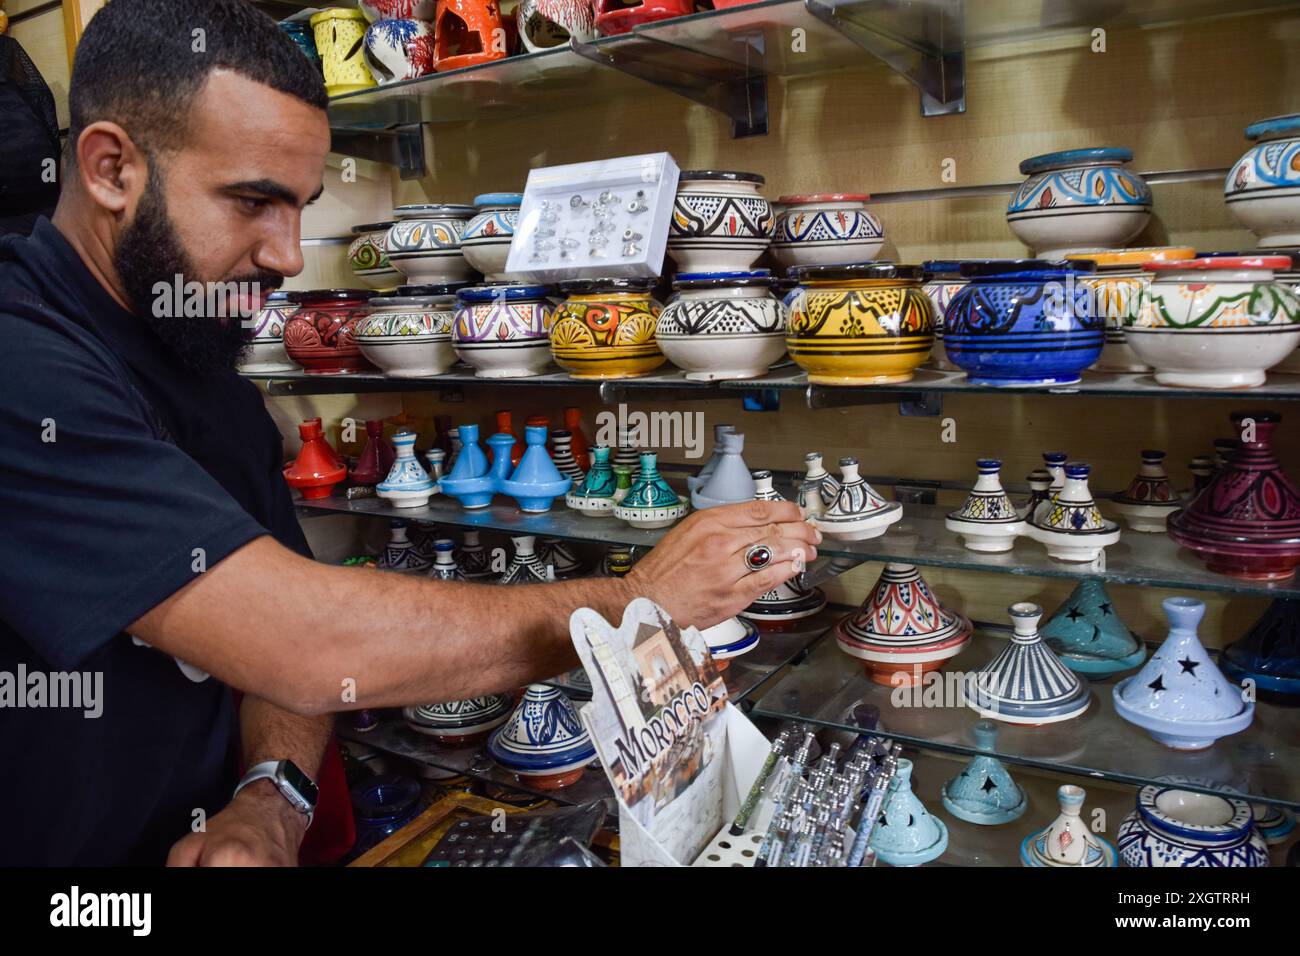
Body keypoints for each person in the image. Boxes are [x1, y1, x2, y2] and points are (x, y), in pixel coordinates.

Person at [0, 0, 818, 866]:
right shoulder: (21, 365)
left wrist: (269, 798)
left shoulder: (202, 366)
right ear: (110, 168)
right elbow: (306, 641)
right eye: (253, 201)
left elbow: (281, 656)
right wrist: (626, 604)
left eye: (301, 207)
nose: (286, 254)